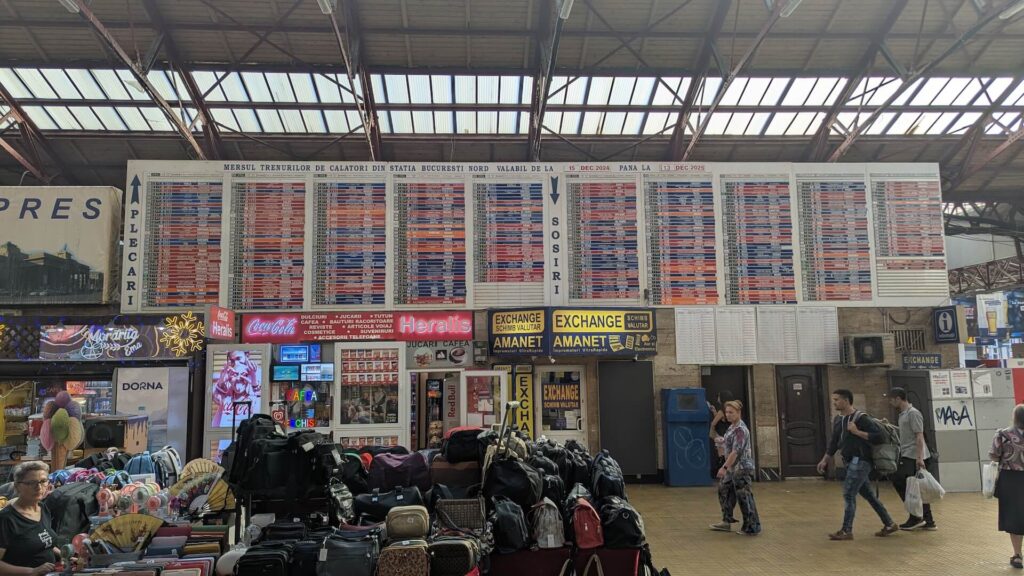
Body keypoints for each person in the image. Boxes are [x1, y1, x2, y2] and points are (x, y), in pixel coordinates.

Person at [817, 389, 899, 540]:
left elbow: (879, 437)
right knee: (869, 495)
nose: (834, 403)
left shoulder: (861, 418)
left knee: (849, 493)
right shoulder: (838, 420)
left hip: (861, 461)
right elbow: (834, 442)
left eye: (836, 400)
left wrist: (857, 432)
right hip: (849, 461)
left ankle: (846, 530)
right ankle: (889, 524)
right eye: (833, 400)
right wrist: (825, 459)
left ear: (846, 401)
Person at [886, 387, 937, 531]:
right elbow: (907, 432)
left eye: (891, 400)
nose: (890, 403)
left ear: (898, 398)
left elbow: (919, 436)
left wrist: (919, 459)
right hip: (907, 454)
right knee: (916, 487)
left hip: (914, 455)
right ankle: (927, 520)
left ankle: (917, 516)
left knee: (901, 481)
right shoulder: (903, 414)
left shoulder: (913, 414)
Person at [709, 400, 761, 535]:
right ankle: (726, 520)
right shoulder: (732, 427)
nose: (728, 415)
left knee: (744, 496)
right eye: (726, 412)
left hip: (742, 468)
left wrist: (724, 468)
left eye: (731, 412)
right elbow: (730, 444)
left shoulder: (741, 430)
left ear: (738, 413)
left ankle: (752, 526)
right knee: (723, 489)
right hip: (733, 468)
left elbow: (735, 451)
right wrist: (722, 441)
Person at [0, 461, 58, 575]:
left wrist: (67, 555)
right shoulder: (6, 519)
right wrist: (32, 571)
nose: (39, 487)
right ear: (17, 486)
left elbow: (43, 541)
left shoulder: (42, 508)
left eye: (43, 481)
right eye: (32, 483)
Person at [989, 404, 1024, 569]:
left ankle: (1017, 555)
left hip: (1010, 479)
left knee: (1013, 515)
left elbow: (994, 456)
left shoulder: (1003, 434)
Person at [707, 391, 733, 479]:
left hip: (721, 436)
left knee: (721, 456)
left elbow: (714, 423)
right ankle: (729, 474)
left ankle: (723, 475)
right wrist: (714, 411)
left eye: (719, 396)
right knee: (728, 456)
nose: (718, 398)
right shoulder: (730, 409)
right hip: (728, 435)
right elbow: (721, 419)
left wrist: (712, 432)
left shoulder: (722, 410)